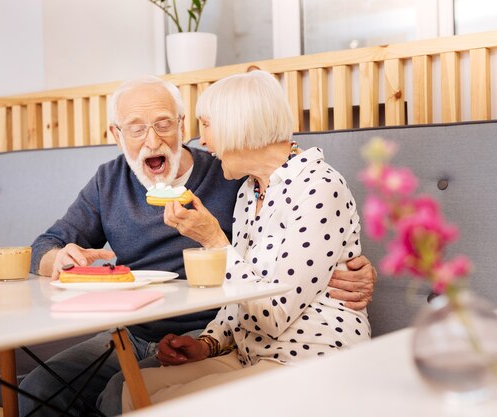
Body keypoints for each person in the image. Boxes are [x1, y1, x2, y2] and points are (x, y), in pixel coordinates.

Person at [19, 75, 376, 417]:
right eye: (136, 128)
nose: (152, 140)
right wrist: (58, 259)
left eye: (164, 124)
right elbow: (45, 245)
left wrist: (359, 267)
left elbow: (290, 275)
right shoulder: (245, 188)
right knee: (49, 388)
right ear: (116, 134)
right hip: (145, 331)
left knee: (131, 395)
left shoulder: (233, 176)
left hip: (260, 339)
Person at [121, 70, 371, 411]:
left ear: (238, 124)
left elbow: (273, 313)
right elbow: (240, 294)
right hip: (251, 353)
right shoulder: (249, 192)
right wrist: (208, 343)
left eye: (206, 125)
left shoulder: (318, 186)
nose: (203, 141)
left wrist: (213, 240)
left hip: (311, 358)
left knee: (165, 405)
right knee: (136, 389)